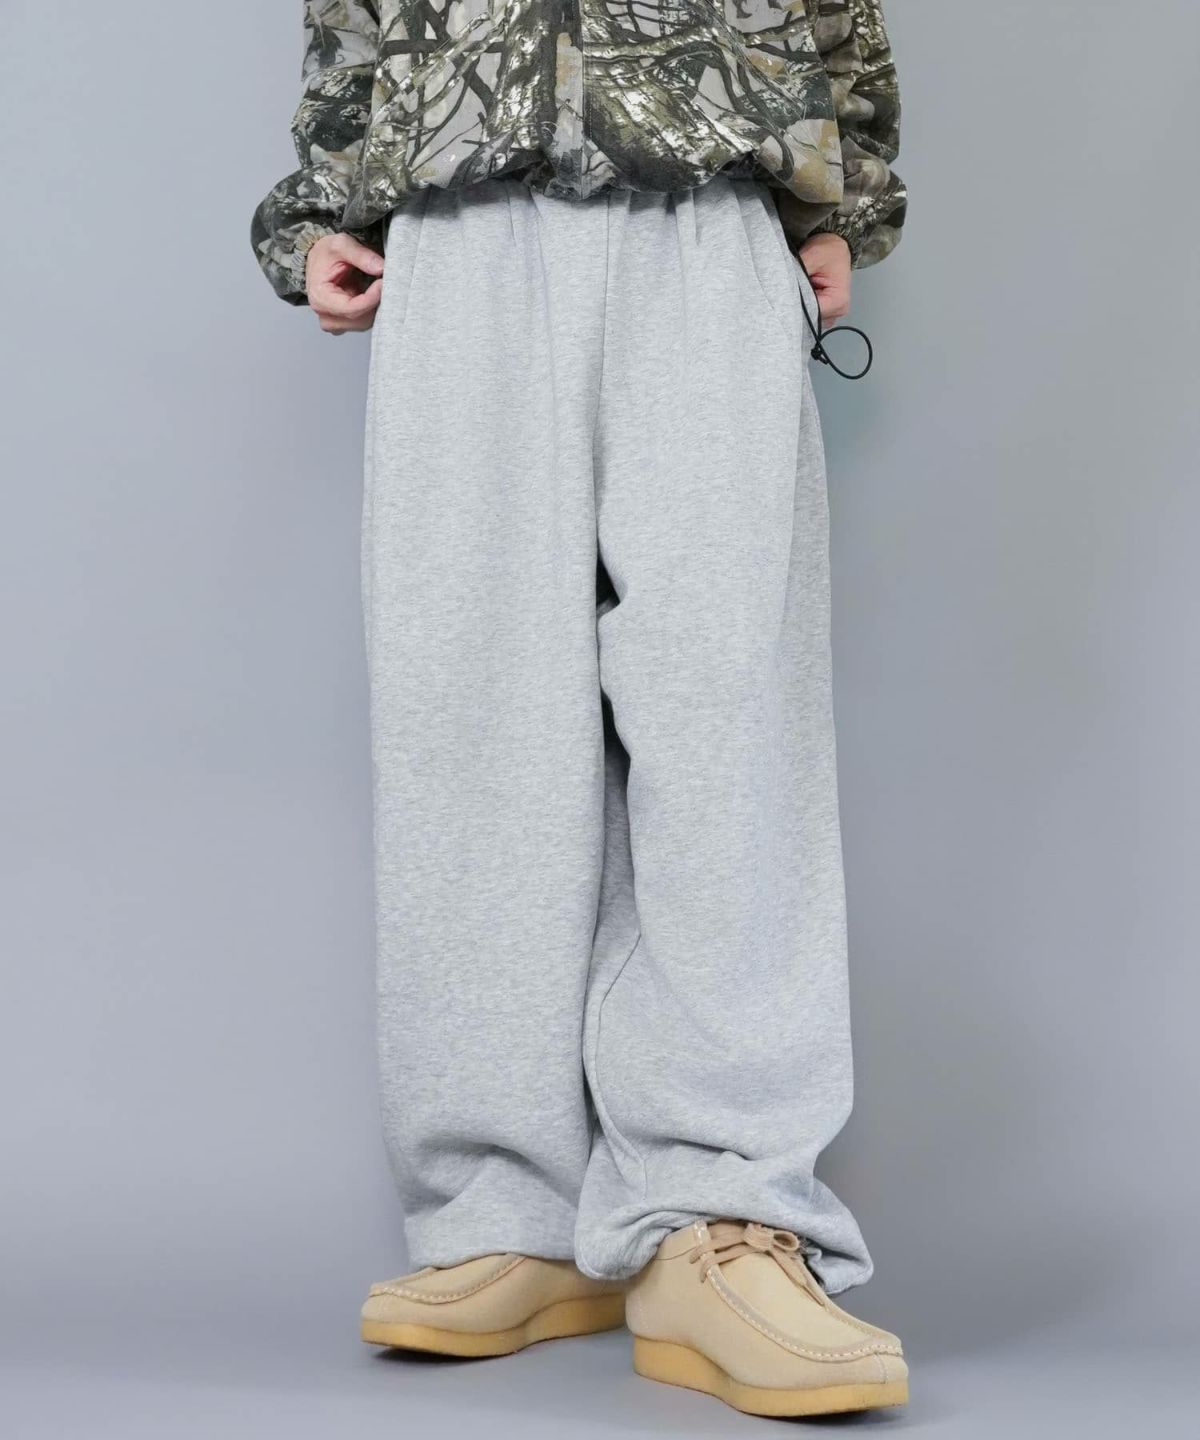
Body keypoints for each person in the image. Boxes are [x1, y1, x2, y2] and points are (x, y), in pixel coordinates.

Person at [252, 0, 908, 1418]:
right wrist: (324, 200)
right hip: (456, 220)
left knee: (727, 726)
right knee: (470, 725)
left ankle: (725, 1214)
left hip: (712, 204)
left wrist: (839, 188)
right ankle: (509, 1213)